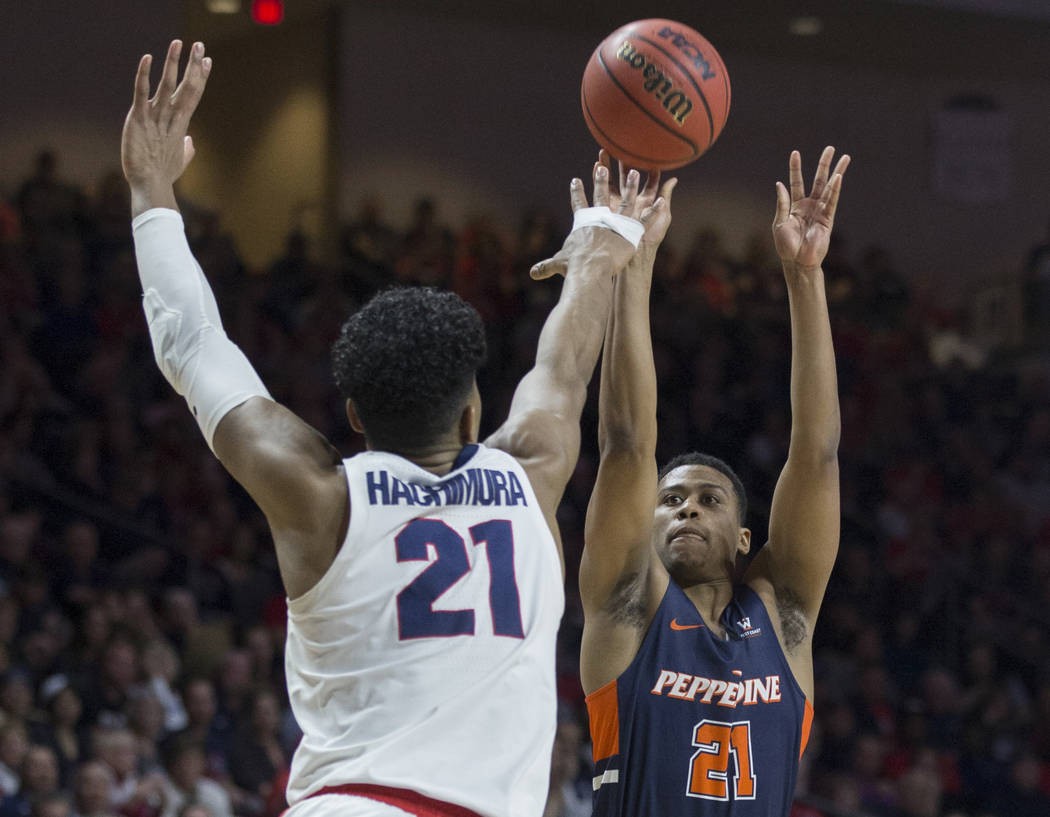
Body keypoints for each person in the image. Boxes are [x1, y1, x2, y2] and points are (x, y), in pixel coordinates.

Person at [120, 39, 662, 817]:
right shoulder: (531, 466)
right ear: (475, 410)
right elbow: (563, 371)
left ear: (351, 417)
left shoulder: (318, 493)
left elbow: (196, 344)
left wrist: (149, 191)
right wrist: (598, 253)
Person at [578, 147, 849, 815]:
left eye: (707, 499)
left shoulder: (783, 620)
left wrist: (804, 277)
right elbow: (627, 444)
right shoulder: (627, 608)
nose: (685, 510)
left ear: (744, 536)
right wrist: (633, 265)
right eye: (669, 501)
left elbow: (815, 453)